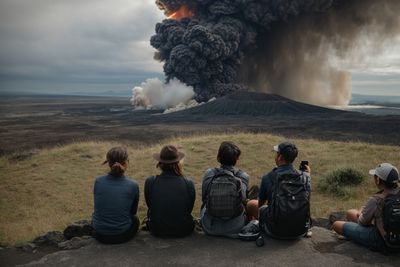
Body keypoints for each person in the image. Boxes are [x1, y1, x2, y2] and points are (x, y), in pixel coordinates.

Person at [247, 141, 311, 239]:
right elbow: (306, 200)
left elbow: (260, 204)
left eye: (276, 153)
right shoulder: (306, 177)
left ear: (280, 157)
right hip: (300, 231)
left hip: (275, 231)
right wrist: (307, 175)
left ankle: (250, 226)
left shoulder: (268, 177)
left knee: (253, 205)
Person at [332, 163, 400, 251]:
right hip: (393, 235)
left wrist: (360, 212)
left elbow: (362, 222)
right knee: (350, 213)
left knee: (336, 225)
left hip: (382, 240)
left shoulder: (377, 199)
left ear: (378, 180)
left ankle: (354, 236)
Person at [200, 141, 250, 238]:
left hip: (210, 227)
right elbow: (242, 201)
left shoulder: (209, 173)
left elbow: (204, 199)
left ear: (218, 157)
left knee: (205, 205)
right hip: (236, 228)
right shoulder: (243, 176)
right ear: (236, 159)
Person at [145, 145, 195, 237]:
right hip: (184, 230)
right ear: (178, 162)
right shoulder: (188, 183)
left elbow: (150, 205)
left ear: (160, 163)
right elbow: (189, 208)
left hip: (157, 230)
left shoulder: (150, 182)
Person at [92, 147, 140, 244]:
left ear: (108, 163)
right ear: (126, 163)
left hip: (99, 234)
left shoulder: (98, 181)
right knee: (135, 220)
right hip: (122, 235)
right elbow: (133, 212)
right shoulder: (133, 185)